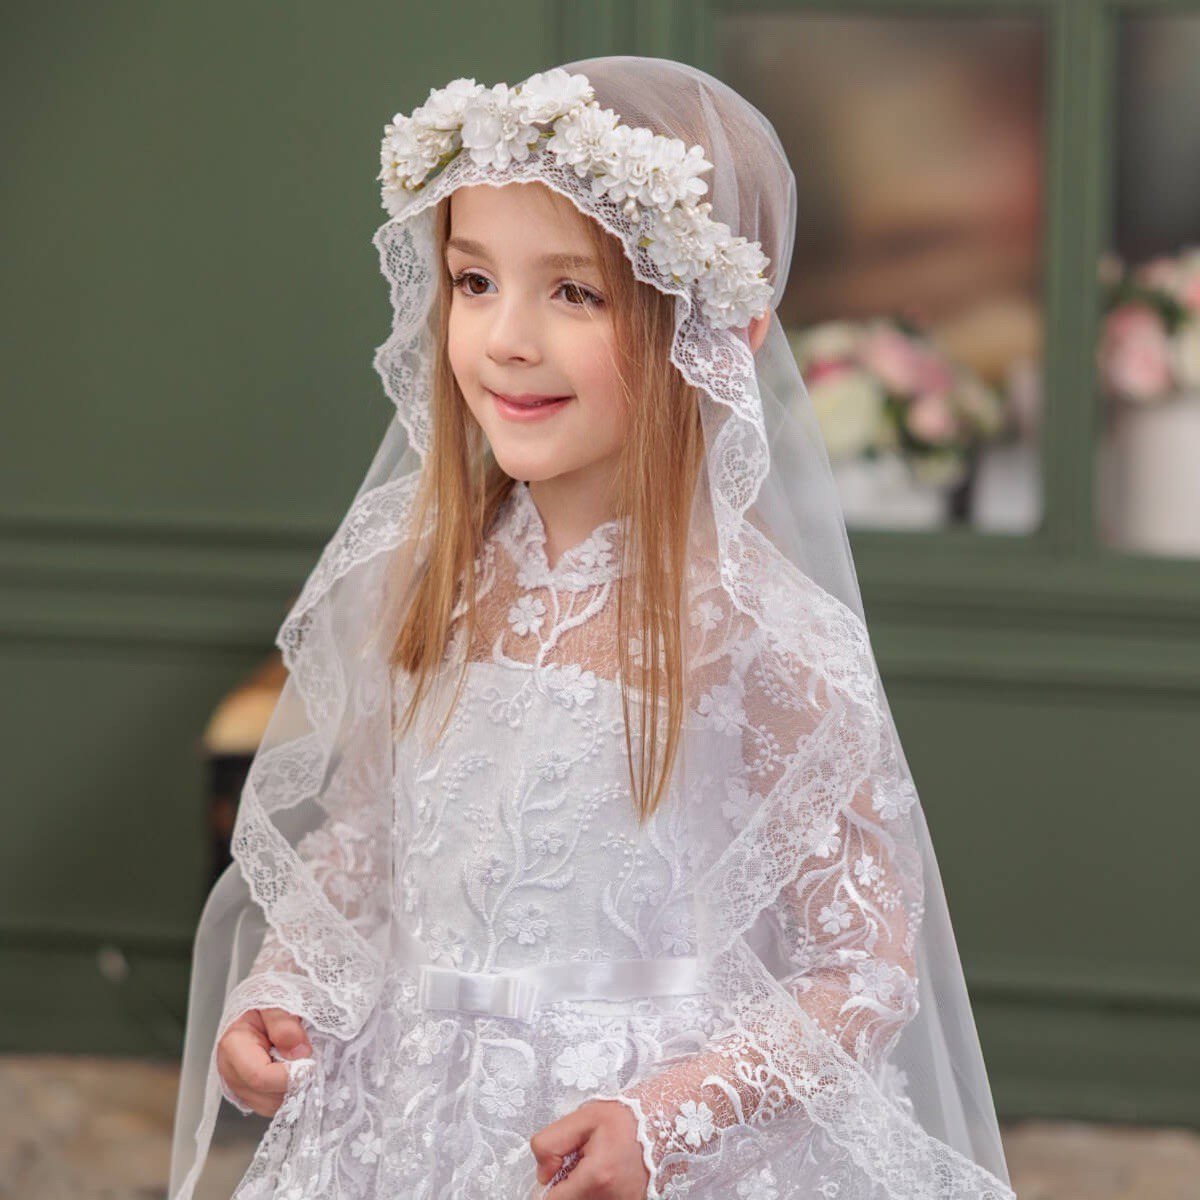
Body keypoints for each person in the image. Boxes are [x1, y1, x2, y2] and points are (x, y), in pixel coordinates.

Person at [169, 56, 1017, 1200]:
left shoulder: (756, 631)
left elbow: (859, 969)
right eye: (475, 282)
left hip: (630, 1144)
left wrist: (665, 1121)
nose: (507, 339)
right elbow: (372, 840)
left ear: (713, 332)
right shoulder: (434, 577)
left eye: (573, 293)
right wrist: (289, 988)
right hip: (404, 1124)